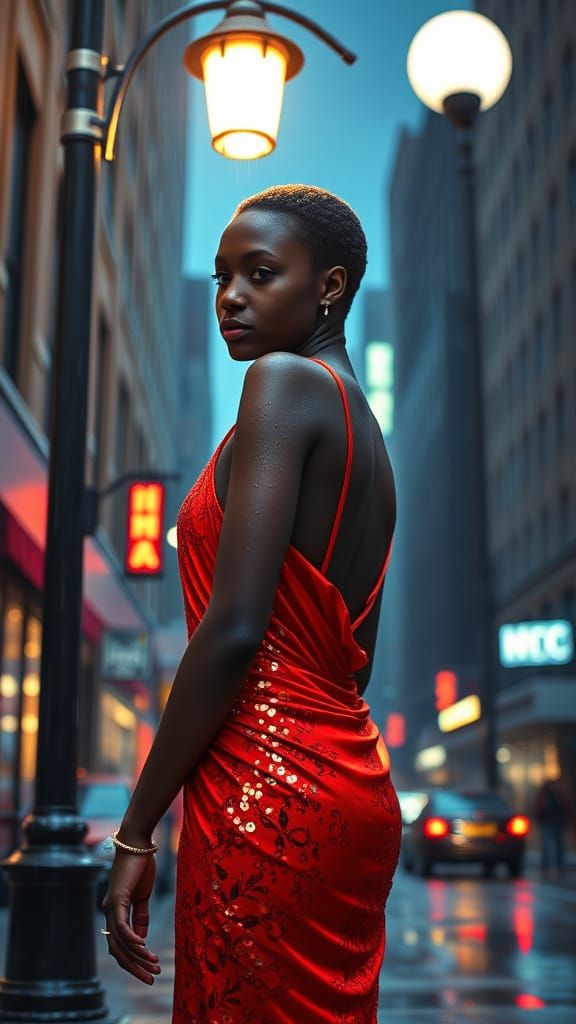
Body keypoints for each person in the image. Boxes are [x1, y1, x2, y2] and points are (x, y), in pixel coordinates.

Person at [101, 184, 402, 1023]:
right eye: (220, 277)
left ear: (330, 287)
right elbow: (357, 662)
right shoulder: (368, 437)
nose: (230, 297)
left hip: (266, 794)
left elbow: (233, 632)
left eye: (260, 273)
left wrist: (136, 830)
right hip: (349, 785)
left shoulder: (283, 383)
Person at [533, 778, 572, 877]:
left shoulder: (560, 795)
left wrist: (568, 819)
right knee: (546, 846)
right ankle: (545, 866)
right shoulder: (543, 796)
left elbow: (567, 807)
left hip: (558, 823)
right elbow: (537, 809)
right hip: (547, 823)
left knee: (560, 846)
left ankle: (560, 867)